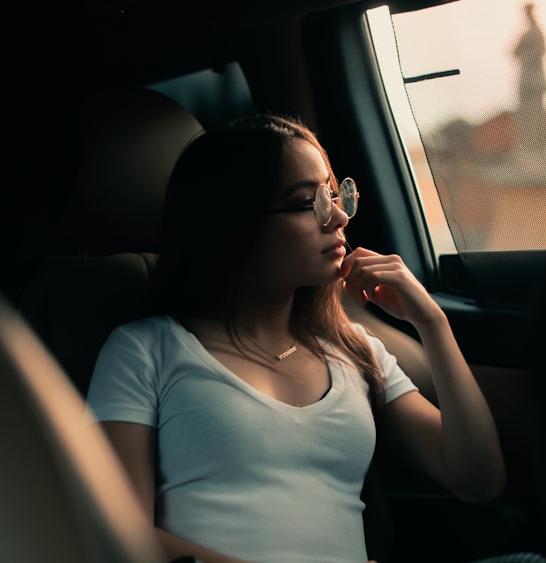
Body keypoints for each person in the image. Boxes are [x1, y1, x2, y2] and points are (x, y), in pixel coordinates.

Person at [86, 114, 506, 563]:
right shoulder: (145, 351)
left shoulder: (356, 351)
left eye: (335, 193)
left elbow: (478, 481)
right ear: (236, 223)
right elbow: (119, 534)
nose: (340, 216)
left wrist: (432, 323)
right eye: (311, 203)